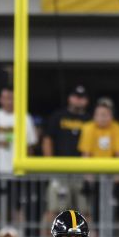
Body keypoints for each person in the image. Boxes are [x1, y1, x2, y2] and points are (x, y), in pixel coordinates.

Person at [42, 86, 91, 217]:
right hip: (60, 170)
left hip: (82, 171)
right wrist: (49, 164)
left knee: (84, 209)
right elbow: (47, 140)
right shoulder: (58, 116)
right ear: (69, 98)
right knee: (55, 208)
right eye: (76, 97)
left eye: (82, 98)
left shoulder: (89, 120)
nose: (78, 100)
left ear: (86, 101)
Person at [0, 86, 37, 175]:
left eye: (12, 98)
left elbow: (31, 145)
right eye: (6, 98)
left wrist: (28, 167)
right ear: (0, 99)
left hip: (19, 171)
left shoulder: (25, 117)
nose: (10, 102)